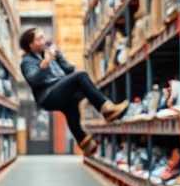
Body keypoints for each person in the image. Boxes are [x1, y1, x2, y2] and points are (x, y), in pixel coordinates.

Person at [19, 27, 128, 155]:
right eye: (39, 39)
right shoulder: (26, 62)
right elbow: (35, 80)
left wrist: (59, 57)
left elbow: (69, 70)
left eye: (44, 37)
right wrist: (46, 62)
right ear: (31, 44)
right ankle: (106, 109)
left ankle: (84, 141)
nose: (44, 40)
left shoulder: (47, 51)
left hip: (58, 88)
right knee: (81, 77)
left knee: (72, 105)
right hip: (47, 96)